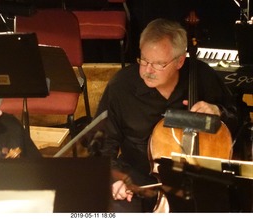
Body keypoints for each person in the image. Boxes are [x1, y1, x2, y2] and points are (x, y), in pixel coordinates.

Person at [93, 18, 240, 212]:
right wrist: (115, 179)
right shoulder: (122, 86)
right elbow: (101, 143)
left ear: (179, 61)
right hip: (137, 178)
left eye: (159, 64)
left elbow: (239, 118)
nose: (147, 70)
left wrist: (218, 111)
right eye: (144, 60)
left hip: (200, 178)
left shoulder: (203, 77)